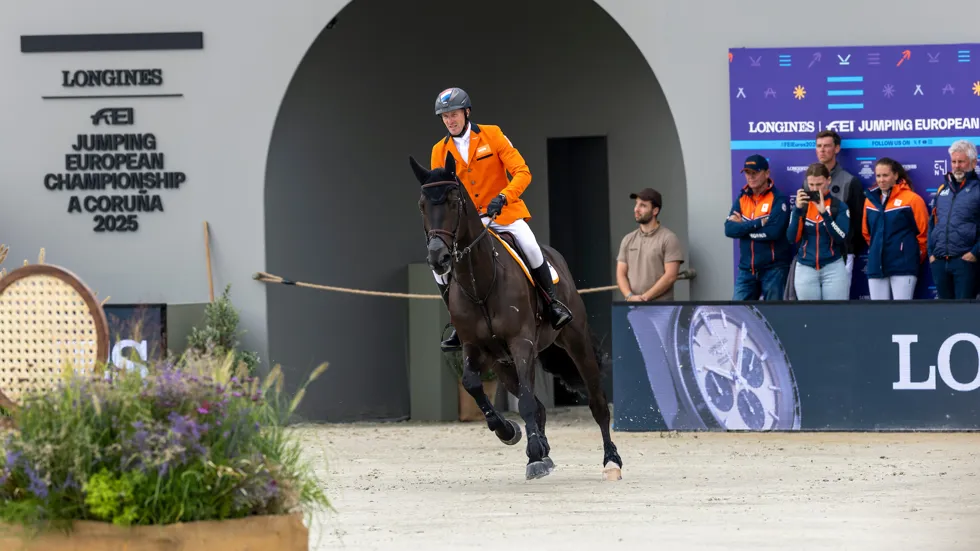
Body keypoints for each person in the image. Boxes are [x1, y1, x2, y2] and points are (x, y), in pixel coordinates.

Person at [429, 87, 572, 352]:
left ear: (466, 112)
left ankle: (552, 304)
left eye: (454, 114)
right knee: (440, 266)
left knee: (529, 245)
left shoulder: (492, 135)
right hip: (468, 224)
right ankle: (458, 325)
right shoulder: (439, 150)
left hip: (503, 213)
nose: (450, 120)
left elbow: (522, 171)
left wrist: (505, 196)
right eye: (445, 116)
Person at [725, 154, 792, 300]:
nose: (750, 177)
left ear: (767, 173)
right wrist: (757, 223)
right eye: (747, 173)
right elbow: (729, 230)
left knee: (775, 317)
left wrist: (743, 229)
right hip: (746, 269)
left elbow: (773, 232)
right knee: (738, 314)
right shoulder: (742, 198)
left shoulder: (778, 198)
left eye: (755, 173)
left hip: (774, 269)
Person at [861, 158, 929, 300]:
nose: (881, 180)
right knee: (878, 315)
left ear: (896, 175)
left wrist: (911, 255)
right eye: (878, 176)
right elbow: (867, 233)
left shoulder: (912, 200)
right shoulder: (870, 200)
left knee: (903, 314)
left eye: (885, 175)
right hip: (876, 266)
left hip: (903, 266)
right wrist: (877, 249)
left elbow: (924, 233)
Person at [786, 163, 850, 300]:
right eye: (811, 185)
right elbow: (791, 238)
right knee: (809, 316)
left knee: (835, 315)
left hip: (833, 267)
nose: (815, 189)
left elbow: (841, 237)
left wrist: (825, 214)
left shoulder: (838, 206)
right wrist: (797, 210)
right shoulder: (802, 207)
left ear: (828, 181)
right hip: (805, 267)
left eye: (819, 184)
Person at [928, 139, 980, 299]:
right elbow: (933, 223)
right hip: (939, 261)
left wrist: (975, 252)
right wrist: (931, 252)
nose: (957, 166)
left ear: (973, 163)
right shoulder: (943, 189)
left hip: (965, 262)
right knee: (945, 314)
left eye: (961, 162)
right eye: (954, 161)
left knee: (964, 314)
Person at [816, 130, 866, 293]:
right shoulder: (808, 181)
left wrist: (849, 248)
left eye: (827, 146)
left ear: (837, 149)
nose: (822, 150)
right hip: (813, 256)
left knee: (838, 303)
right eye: (819, 146)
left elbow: (858, 221)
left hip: (841, 253)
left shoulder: (849, 181)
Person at [616, 188, 685, 302]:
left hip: (661, 310)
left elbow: (671, 276)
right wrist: (629, 296)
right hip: (633, 308)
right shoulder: (627, 239)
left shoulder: (669, 238)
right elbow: (620, 274)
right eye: (636, 204)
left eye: (642, 205)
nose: (636, 209)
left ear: (655, 211)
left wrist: (644, 298)